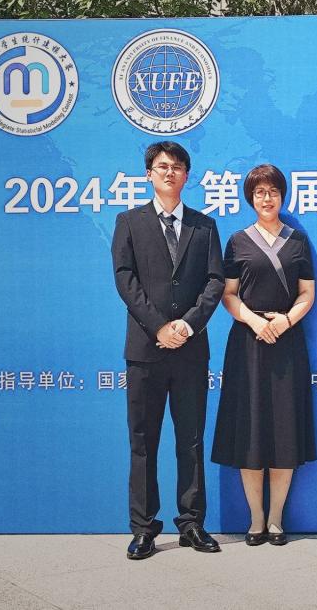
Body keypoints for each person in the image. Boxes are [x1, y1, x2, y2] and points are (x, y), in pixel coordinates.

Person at [111, 141, 225, 560]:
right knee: (143, 440)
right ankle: (144, 529)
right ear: (149, 174)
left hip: (190, 351)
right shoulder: (129, 222)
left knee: (190, 440)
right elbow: (125, 280)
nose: (169, 172)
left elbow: (215, 281)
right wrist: (159, 326)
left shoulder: (204, 226)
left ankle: (192, 523)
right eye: (162, 166)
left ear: (187, 175)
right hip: (145, 350)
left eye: (177, 167)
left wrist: (187, 325)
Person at [211, 164, 317, 546]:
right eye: (259, 192)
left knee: (284, 432)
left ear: (282, 195)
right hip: (248, 344)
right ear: (250, 199)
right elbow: (228, 294)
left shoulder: (298, 241)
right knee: (250, 433)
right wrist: (255, 321)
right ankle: (255, 519)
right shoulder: (238, 241)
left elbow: (307, 293)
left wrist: (285, 321)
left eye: (272, 191)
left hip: (287, 343)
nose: (266, 198)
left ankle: (276, 520)